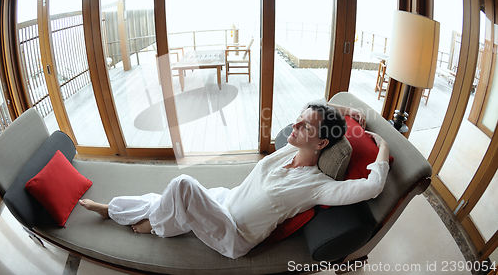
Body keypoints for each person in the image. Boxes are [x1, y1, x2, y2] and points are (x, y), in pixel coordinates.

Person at [79, 103, 389, 259]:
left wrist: (383, 147)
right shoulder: (289, 149)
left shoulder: (319, 185)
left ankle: (155, 227)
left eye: (305, 126)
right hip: (228, 199)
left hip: (234, 235)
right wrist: (346, 110)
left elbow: (372, 187)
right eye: (299, 118)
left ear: (321, 144)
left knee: (182, 186)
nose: (294, 125)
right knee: (165, 199)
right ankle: (112, 209)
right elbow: (317, 106)